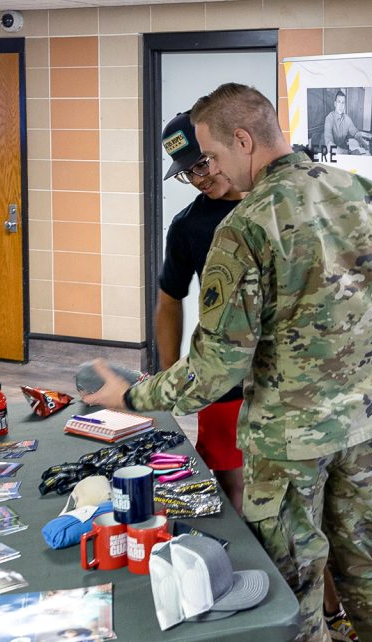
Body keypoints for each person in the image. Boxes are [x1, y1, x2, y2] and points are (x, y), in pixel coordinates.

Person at [84, 83, 372, 641]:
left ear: (243, 140)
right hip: (368, 422)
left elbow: (216, 369)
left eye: (210, 155)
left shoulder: (247, 226)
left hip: (290, 440)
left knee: (292, 588)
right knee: (371, 567)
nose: (209, 169)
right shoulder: (360, 190)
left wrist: (133, 396)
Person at [158, 111, 245, 511]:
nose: (198, 178)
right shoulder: (187, 226)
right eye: (187, 172)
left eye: (202, 164)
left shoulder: (279, 202)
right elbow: (169, 299)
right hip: (223, 381)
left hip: (289, 381)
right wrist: (166, 377)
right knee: (232, 486)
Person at [323, 90, 369, 154]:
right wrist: (349, 153)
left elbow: (355, 132)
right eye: (339, 102)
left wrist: (361, 141)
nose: (341, 105)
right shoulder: (329, 118)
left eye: (343, 102)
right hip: (330, 152)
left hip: (342, 149)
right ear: (335, 104)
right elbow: (329, 145)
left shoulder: (347, 118)